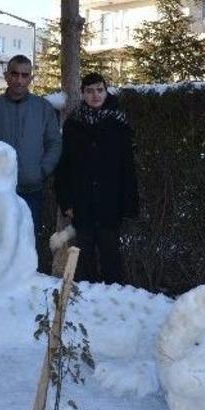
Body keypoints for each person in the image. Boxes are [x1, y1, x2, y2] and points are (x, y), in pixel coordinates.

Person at [55, 73, 139, 284]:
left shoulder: (119, 123)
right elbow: (64, 167)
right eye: (90, 91)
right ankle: (87, 299)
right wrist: (66, 202)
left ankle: (114, 298)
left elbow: (128, 167)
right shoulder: (73, 125)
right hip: (82, 203)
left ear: (106, 91)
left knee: (112, 259)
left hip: (110, 203)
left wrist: (128, 204)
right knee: (84, 261)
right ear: (82, 93)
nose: (95, 95)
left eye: (100, 90)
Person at [0, 55, 62, 238]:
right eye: (15, 74)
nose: (19, 80)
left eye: (25, 75)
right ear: (6, 76)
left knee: (28, 241)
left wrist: (42, 170)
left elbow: (54, 142)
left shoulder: (43, 108)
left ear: (31, 78)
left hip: (32, 190)